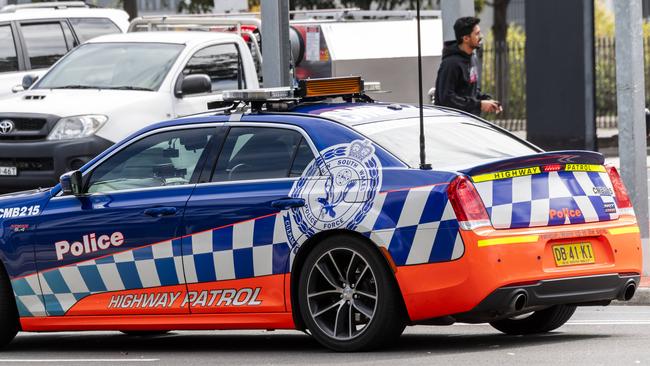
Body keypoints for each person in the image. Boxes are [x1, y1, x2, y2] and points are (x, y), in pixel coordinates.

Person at [434, 16, 502, 116]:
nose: (481, 36)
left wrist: (487, 100)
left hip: (470, 122)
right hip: (453, 125)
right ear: (466, 38)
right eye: (477, 34)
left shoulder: (472, 58)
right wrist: (479, 105)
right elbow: (447, 99)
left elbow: (471, 93)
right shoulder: (450, 64)